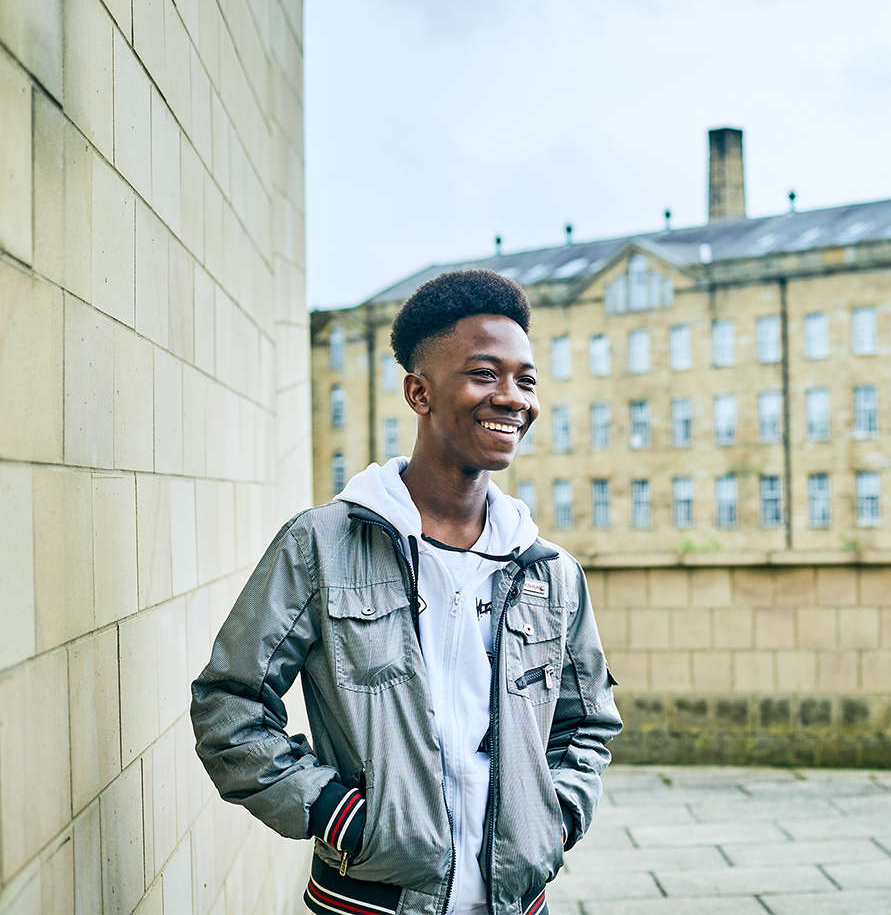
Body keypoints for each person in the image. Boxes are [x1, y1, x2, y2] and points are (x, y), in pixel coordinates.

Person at [191, 270, 621, 915]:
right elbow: (229, 703)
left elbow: (585, 724)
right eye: (484, 373)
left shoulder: (550, 571)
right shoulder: (322, 545)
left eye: (525, 379)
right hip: (371, 900)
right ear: (419, 392)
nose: (513, 398)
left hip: (517, 902)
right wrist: (340, 816)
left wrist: (553, 818)